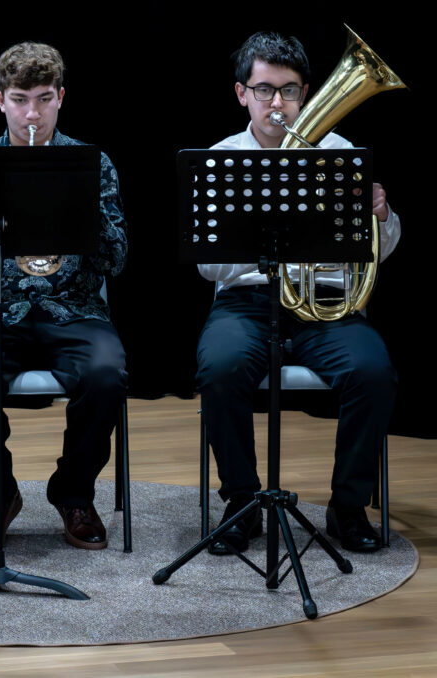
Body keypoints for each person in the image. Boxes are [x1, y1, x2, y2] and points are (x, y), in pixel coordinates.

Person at [196, 32, 400, 555]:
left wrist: (381, 217)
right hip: (246, 303)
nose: (277, 103)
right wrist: (266, 241)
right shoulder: (221, 159)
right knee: (219, 371)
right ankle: (243, 503)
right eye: (264, 90)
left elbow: (378, 252)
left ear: (305, 93)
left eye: (288, 90)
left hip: (326, 305)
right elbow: (209, 267)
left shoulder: (340, 153)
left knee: (372, 373)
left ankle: (347, 507)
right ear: (242, 94)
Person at [0, 43, 128, 554]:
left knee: (106, 377)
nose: (31, 115)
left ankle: (73, 493)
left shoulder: (93, 163)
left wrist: (80, 208)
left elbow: (115, 261)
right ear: (0, 100)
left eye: (44, 99)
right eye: (20, 100)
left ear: (61, 98)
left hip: (76, 309)